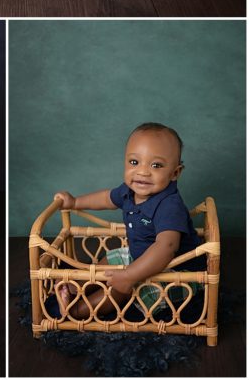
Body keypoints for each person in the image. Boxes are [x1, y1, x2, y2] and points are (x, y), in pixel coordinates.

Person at [53, 122, 205, 319]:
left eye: (156, 165)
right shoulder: (129, 191)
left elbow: (166, 248)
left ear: (175, 173)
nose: (142, 172)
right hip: (142, 257)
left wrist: (129, 276)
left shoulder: (169, 205)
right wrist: (75, 202)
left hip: (176, 272)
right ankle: (77, 288)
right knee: (110, 260)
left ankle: (76, 312)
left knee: (122, 287)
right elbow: (106, 198)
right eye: (134, 162)